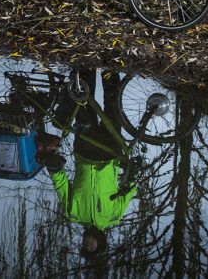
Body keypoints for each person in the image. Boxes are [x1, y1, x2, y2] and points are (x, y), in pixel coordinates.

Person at [43, 69, 140, 261]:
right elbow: (129, 191)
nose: (87, 244)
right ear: (100, 242)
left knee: (84, 107)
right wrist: (133, 173)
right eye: (91, 248)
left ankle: (84, 70)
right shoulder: (114, 217)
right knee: (113, 109)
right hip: (110, 153)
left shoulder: (73, 214)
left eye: (84, 246)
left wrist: (54, 169)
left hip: (84, 151)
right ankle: (109, 71)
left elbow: (62, 187)